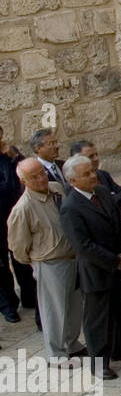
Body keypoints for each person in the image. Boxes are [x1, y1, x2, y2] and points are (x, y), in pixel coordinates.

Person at [61, 154, 121, 378]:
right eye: (86, 174)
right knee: (97, 318)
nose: (92, 175)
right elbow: (83, 245)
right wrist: (112, 259)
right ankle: (99, 363)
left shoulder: (103, 193)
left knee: (119, 309)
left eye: (92, 171)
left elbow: (118, 222)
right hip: (96, 269)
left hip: (116, 262)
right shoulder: (71, 207)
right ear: (73, 181)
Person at [8, 159, 85, 362]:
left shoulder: (57, 189)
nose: (41, 178)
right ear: (24, 181)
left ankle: (72, 343)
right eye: (34, 177)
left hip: (72, 258)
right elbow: (18, 247)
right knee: (54, 310)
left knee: (74, 305)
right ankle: (56, 354)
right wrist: (37, 261)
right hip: (50, 263)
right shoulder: (22, 209)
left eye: (42, 173)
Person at [0, 126, 33, 324]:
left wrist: (15, 157)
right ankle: (7, 305)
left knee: (21, 255)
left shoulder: (9, 154)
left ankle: (29, 296)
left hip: (13, 214)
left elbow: (23, 175)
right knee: (1, 265)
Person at [69, 140, 121, 212]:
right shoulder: (73, 185)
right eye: (91, 156)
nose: (96, 158)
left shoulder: (102, 174)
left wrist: (110, 205)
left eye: (96, 155)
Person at [30, 129, 68, 193]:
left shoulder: (64, 165)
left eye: (56, 142)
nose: (57, 146)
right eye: (51, 143)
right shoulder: (35, 172)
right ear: (38, 148)